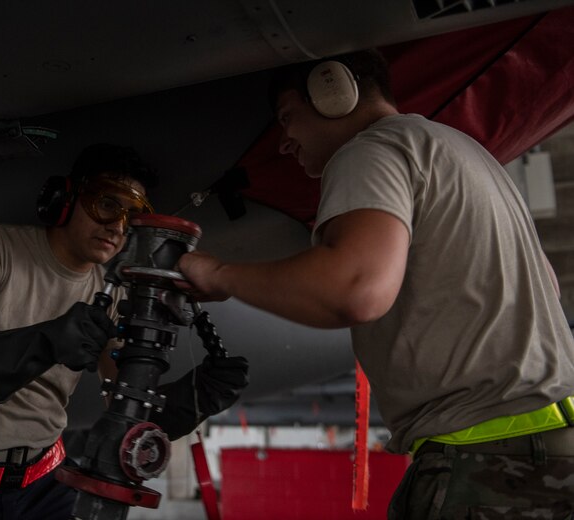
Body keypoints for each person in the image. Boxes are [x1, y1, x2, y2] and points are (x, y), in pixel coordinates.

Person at [177, 50, 574, 517]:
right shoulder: (461, 151)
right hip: (548, 451)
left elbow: (355, 288)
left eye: (288, 117)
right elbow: (546, 281)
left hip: (490, 463)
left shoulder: (369, 150)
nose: (285, 142)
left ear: (332, 92)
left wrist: (220, 275)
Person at [0, 143, 249, 520]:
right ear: (65, 198)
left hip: (44, 486)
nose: (116, 226)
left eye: (130, 216)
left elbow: (120, 404)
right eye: (107, 203)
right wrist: (48, 340)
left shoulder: (108, 288)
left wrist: (189, 402)